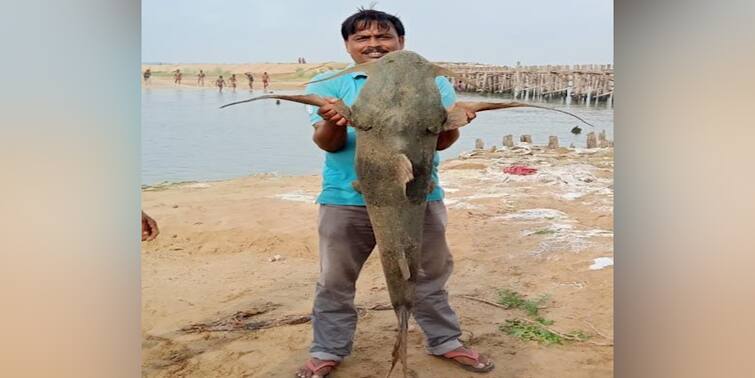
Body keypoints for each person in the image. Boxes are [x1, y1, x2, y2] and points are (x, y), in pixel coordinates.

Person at [294, 8, 491, 378]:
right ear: (348, 45)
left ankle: (445, 340)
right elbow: (328, 145)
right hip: (345, 199)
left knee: (430, 275)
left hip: (420, 195)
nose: (374, 44)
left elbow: (442, 142)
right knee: (335, 280)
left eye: (383, 37)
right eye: (362, 38)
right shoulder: (328, 83)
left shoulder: (433, 83)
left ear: (400, 42)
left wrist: (456, 122)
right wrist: (332, 121)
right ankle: (327, 349)